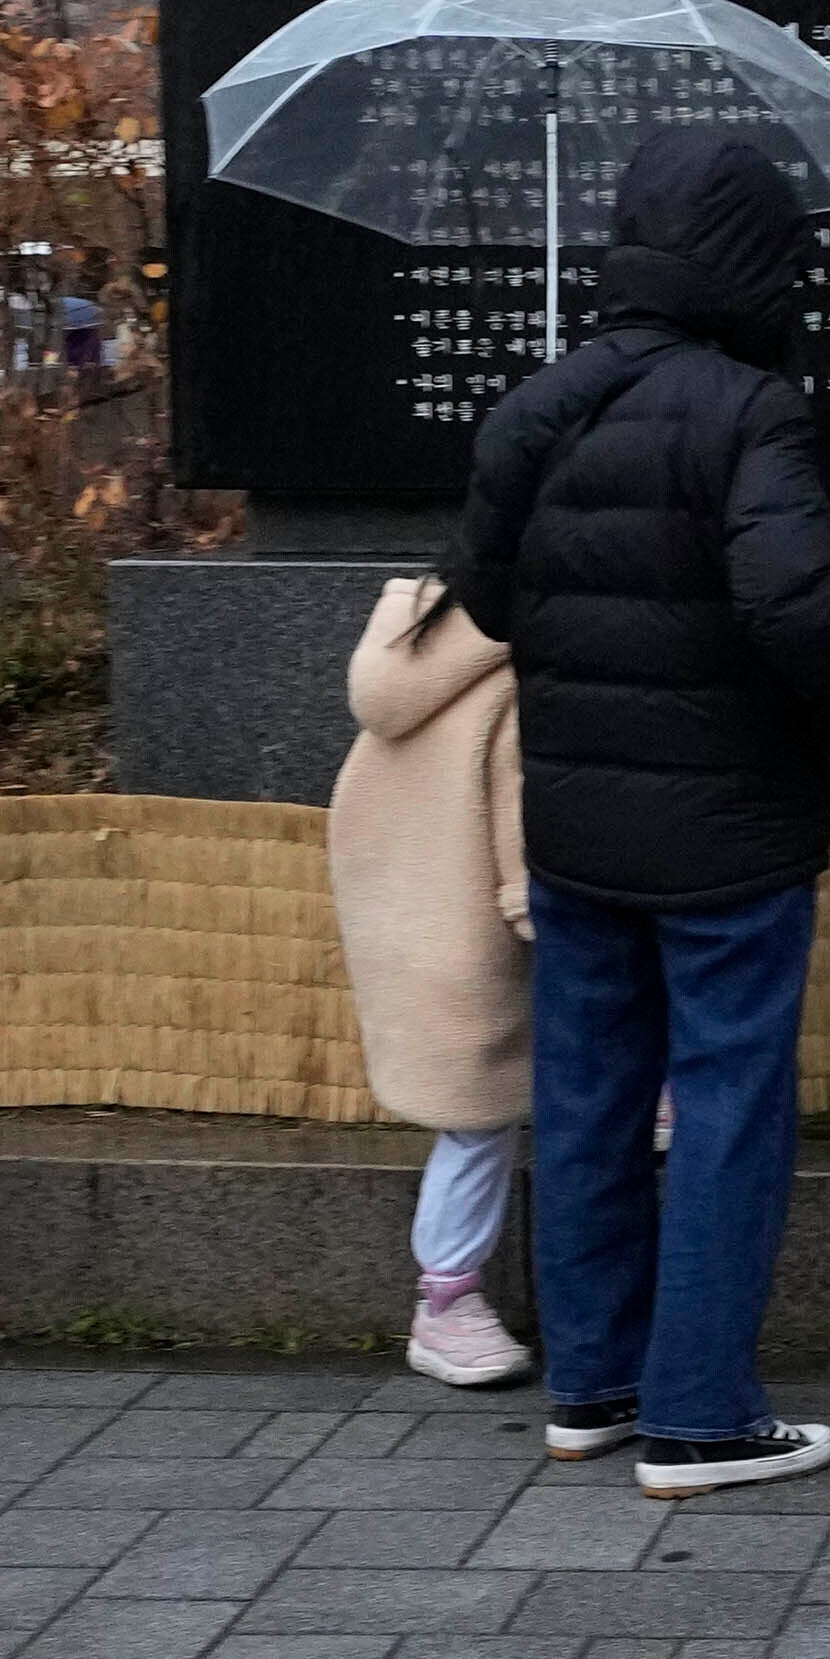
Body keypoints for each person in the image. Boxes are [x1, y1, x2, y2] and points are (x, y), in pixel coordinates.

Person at [452, 132, 830, 1497]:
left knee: (587, 1093)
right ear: (751, 263)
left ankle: (591, 1385)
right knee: (722, 1103)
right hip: (728, 829)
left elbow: (483, 599)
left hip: (578, 817)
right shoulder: (746, 408)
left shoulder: (538, 404)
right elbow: (790, 605)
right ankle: (701, 1413)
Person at [331, 572, 535, 1387]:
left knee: (472, 1120)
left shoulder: (412, 645)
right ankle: (446, 1304)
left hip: (417, 918)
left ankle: (448, 1303)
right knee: (482, 1121)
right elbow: (524, 807)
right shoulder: (519, 682)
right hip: (488, 924)